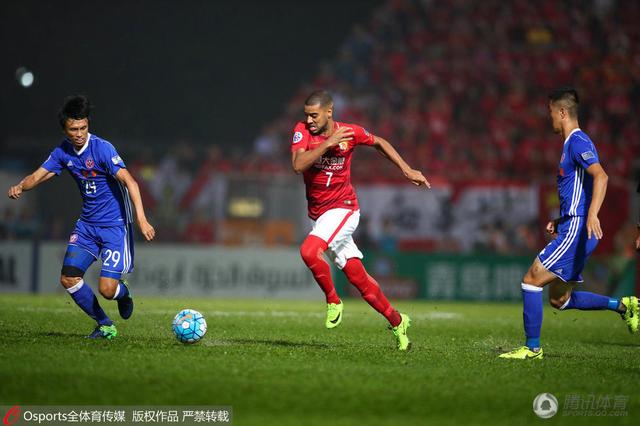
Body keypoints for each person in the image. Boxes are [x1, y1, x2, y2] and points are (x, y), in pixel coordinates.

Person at [500, 87, 638, 360]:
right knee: (559, 300)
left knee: (531, 281)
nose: (549, 117)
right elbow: (580, 190)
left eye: (551, 112)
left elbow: (601, 177)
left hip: (577, 229)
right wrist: (560, 219)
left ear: (562, 112)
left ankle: (532, 349)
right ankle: (625, 306)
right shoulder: (570, 145)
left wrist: (591, 215)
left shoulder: (577, 142)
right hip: (571, 224)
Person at [290, 90, 430, 350]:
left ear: (329, 112)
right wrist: (327, 144)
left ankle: (333, 300)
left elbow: (380, 142)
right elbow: (298, 165)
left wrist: (406, 169)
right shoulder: (302, 131)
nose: (309, 120)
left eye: (314, 115)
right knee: (358, 279)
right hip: (319, 216)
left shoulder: (350, 132)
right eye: (307, 115)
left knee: (309, 251)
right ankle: (398, 321)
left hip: (344, 209)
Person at [7, 95, 155, 339]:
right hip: (87, 226)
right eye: (74, 129)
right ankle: (105, 324)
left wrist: (141, 219)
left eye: (83, 127)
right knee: (68, 278)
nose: (79, 133)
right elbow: (37, 176)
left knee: (107, 290)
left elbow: (131, 182)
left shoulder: (102, 149)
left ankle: (123, 293)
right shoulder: (63, 152)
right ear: (65, 130)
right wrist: (21, 186)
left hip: (115, 226)